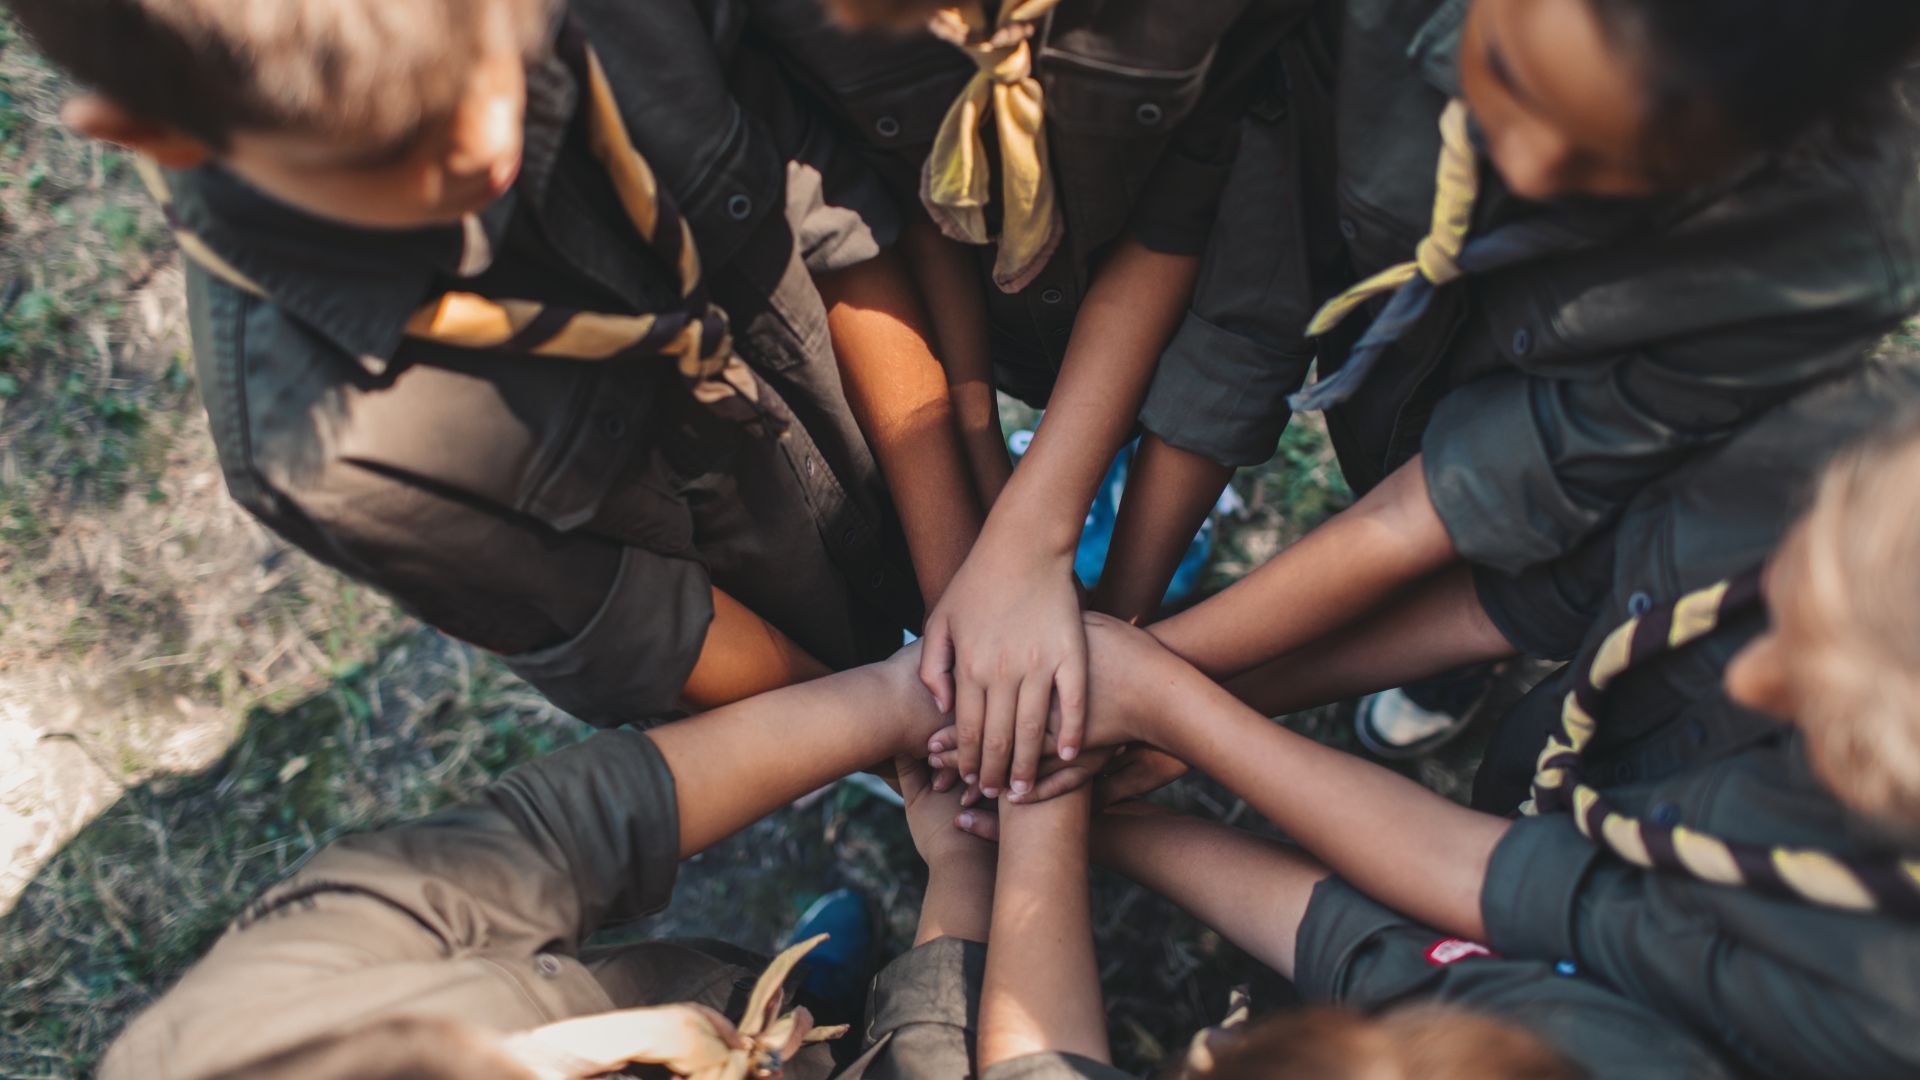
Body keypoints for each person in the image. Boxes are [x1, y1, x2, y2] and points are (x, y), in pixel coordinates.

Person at [1004, 0, 1920, 800]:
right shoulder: (1369, 22)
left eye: (1627, 163)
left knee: (1518, 559)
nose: (1527, 166)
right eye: (1506, 77)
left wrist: (1159, 684)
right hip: (1412, 420)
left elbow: (1478, 495)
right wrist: (1123, 640)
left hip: (1560, 495)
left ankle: (1453, 662)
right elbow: (1254, 294)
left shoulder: (1833, 251)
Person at [3, 0, 993, 727]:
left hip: (904, 432)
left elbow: (832, 219)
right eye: (392, 147)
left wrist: (970, 580)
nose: (486, 143)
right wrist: (912, 724)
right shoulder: (323, 454)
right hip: (794, 650)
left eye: (488, 52)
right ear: (155, 135)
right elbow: (653, 629)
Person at [950, 411, 1920, 1077]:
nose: (1753, 674)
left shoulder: (1846, 991)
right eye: (1775, 611)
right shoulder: (1854, 479)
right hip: (1560, 798)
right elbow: (1411, 924)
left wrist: (1110, 752)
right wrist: (1156, 715)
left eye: (1811, 679)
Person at [740, 0, 1313, 801]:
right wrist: (998, 520)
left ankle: (1106, 502)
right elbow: (893, 198)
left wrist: (1097, 616)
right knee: (1053, 482)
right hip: (992, 306)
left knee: (1139, 426)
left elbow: (1219, 240)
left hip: (1173, 288)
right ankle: (1065, 497)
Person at [97, 646, 960, 1079]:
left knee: (785, 1002)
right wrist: (964, 869)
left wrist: (893, 700)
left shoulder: (237, 1029)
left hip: (703, 1001)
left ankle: (820, 999)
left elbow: (553, 836)